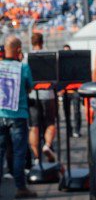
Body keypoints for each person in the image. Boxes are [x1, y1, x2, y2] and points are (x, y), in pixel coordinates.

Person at [0, 35, 37, 198]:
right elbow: (29, 87)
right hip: (18, 115)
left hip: (0, 114)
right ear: (19, 50)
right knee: (19, 152)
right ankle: (21, 187)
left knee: (0, 151)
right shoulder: (23, 67)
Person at [28, 32, 57, 163]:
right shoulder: (49, 56)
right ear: (42, 42)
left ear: (32, 42)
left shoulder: (27, 57)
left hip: (33, 95)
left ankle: (36, 157)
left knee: (34, 126)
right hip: (48, 95)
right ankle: (47, 145)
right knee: (50, 123)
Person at [61, 44, 82, 137]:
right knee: (66, 113)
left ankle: (77, 130)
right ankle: (69, 131)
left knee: (77, 111)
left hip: (75, 90)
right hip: (65, 91)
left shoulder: (76, 64)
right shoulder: (61, 65)